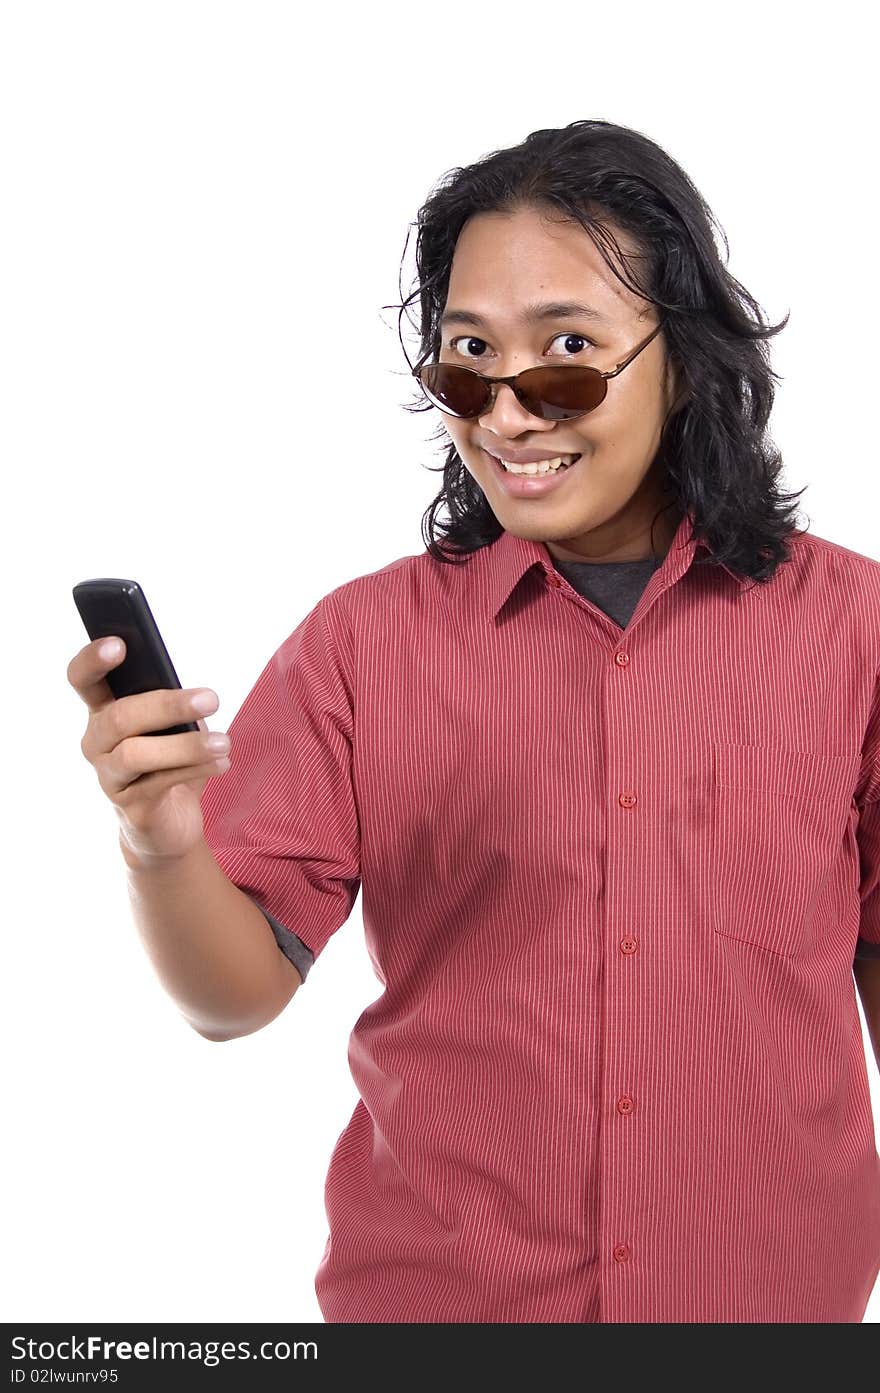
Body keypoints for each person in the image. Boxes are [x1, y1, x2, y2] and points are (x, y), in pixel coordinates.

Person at [68, 118, 880, 1324]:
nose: (506, 414)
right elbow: (231, 997)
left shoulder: (853, 629)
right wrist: (161, 839)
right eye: (465, 359)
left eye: (565, 351)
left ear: (686, 356)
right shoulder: (361, 644)